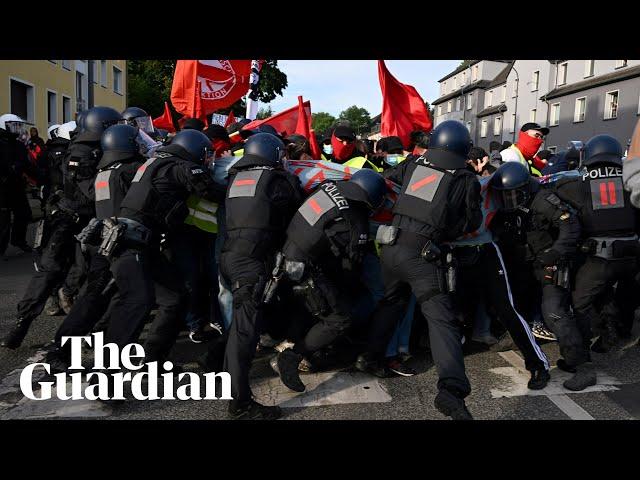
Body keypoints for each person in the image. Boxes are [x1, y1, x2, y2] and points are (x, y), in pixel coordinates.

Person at [355, 120, 483, 420]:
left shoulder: (414, 163)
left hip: (390, 246)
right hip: (422, 254)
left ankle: (370, 357)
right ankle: (451, 389)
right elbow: (471, 222)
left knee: (391, 302)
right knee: (440, 319)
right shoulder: (465, 177)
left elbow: (387, 179)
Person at [0, 106, 122, 349]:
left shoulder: (98, 148)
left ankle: (87, 328)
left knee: (92, 275)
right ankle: (21, 323)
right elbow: (91, 191)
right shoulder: (81, 151)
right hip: (69, 220)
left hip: (91, 220)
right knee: (50, 271)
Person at [271, 169, 386, 392]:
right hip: (306, 271)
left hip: (285, 259)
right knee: (340, 318)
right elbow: (350, 267)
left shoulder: (328, 187)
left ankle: (291, 343)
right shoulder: (356, 219)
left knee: (306, 310)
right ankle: (293, 357)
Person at [45, 123, 146, 370]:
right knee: (133, 299)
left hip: (103, 242)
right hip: (120, 243)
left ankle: (62, 350)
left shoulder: (104, 172)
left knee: (94, 298)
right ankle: (108, 365)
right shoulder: (128, 170)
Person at [219, 132, 304, 419]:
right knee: (245, 330)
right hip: (252, 262)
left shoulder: (235, 178)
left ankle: (218, 363)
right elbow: (295, 201)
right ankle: (240, 404)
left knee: (249, 321)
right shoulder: (276, 180)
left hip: (231, 257)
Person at [489, 162, 587, 390]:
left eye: (514, 195)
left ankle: (579, 363)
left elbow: (570, 225)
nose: (509, 200)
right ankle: (528, 354)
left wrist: (556, 252)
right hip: (523, 263)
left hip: (548, 261)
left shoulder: (542, 200)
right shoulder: (504, 206)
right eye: (505, 196)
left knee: (554, 312)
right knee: (516, 310)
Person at [553, 135, 640, 364]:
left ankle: (581, 351)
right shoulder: (631, 181)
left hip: (600, 258)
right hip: (632, 255)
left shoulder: (578, 184)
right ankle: (619, 331)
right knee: (626, 294)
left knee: (580, 302)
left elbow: (556, 189)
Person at [0, 114, 35, 257]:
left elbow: (27, 165)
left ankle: (18, 240)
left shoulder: (19, 144)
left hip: (16, 185)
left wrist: (42, 175)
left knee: (24, 214)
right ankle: (1, 248)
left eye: (18, 125)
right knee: (3, 219)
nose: (17, 128)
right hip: (2, 186)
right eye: (14, 125)